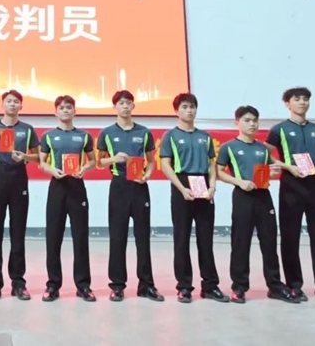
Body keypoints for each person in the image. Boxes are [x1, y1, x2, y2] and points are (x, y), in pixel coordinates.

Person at [265, 86, 315, 302]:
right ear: (287, 104)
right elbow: (265, 154)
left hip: (314, 183)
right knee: (290, 236)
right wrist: (287, 167)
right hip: (291, 184)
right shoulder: (279, 129)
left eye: (305, 99)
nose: (302, 102)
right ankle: (294, 285)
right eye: (297, 99)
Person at [216, 105, 299, 304]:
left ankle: (275, 286)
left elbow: (270, 169)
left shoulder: (262, 148)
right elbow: (218, 172)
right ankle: (239, 287)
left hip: (264, 197)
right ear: (237, 123)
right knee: (241, 242)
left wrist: (273, 173)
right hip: (242, 197)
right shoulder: (229, 147)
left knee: (269, 242)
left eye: (255, 120)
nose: (252, 124)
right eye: (247, 120)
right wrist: (239, 182)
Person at [160, 92, 228, 304]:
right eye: (185, 107)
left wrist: (213, 185)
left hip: (203, 185)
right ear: (176, 111)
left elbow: (211, 164)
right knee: (181, 239)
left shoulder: (205, 137)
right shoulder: (170, 136)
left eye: (192, 107)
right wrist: (181, 188)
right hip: (182, 185)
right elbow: (165, 165)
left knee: (205, 239)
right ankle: (184, 287)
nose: (189, 111)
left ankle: (210, 286)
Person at [96, 90, 162, 302]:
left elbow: (150, 161)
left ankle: (146, 285)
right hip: (119, 187)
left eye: (128, 103)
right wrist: (114, 159)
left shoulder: (144, 132)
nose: (125, 106)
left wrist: (147, 175)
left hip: (139, 186)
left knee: (143, 237)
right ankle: (117, 285)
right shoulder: (107, 133)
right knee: (118, 237)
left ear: (133, 106)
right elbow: (99, 162)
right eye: (121, 103)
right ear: (115, 107)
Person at [0, 90, 40, 302]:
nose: (12, 104)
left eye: (16, 102)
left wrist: (25, 156)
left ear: (21, 106)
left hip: (19, 176)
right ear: (2, 105)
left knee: (18, 232)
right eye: (9, 101)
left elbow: (39, 157)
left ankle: (18, 282)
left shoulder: (27, 129)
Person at [38, 95, 97, 302]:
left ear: (74, 111)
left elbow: (92, 161)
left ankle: (83, 285)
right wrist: (52, 170)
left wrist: (84, 169)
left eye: (69, 107)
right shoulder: (48, 136)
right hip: (57, 187)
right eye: (61, 107)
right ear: (56, 112)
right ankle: (53, 285)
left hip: (77, 187)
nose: (65, 110)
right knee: (53, 237)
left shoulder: (84, 136)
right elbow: (42, 163)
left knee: (80, 237)